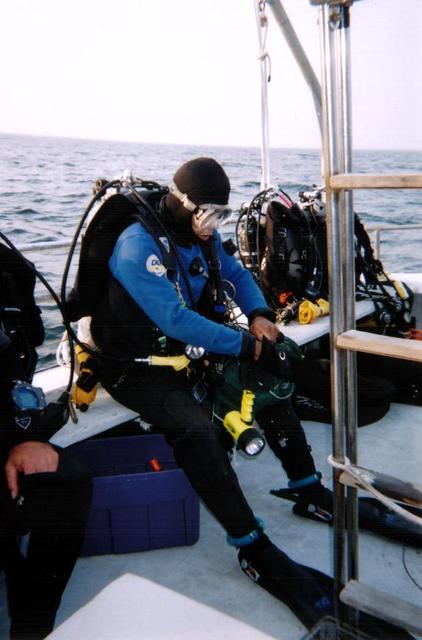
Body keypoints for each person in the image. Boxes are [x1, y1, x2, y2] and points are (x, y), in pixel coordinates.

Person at [83, 157, 341, 625]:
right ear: (181, 204)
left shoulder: (198, 235)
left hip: (188, 354)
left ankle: (307, 487)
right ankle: (251, 544)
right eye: (207, 215)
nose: (212, 225)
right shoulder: (137, 245)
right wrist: (245, 345)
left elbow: (236, 274)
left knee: (270, 381)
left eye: (220, 215)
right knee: (196, 430)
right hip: (134, 368)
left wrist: (259, 314)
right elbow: (174, 319)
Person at [0, 285, 92, 638]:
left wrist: (22, 436)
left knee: (68, 480)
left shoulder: (10, 272)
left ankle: (31, 627)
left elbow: (27, 343)